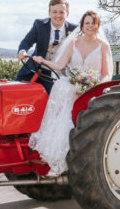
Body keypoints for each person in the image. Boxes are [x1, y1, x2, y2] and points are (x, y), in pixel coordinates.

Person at [28, 11, 112, 176]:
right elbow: (60, 65)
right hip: (73, 84)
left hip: (92, 86)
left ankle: (68, 156)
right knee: (61, 87)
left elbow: (107, 74)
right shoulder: (73, 43)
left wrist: (95, 87)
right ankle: (52, 154)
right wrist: (44, 61)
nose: (90, 26)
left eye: (93, 23)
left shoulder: (103, 46)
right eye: (87, 23)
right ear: (82, 25)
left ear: (98, 26)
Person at [16, 0, 78, 94]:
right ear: (49, 13)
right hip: (34, 69)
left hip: (57, 73)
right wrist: (22, 51)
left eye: (61, 12)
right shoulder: (39, 25)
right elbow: (27, 41)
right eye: (54, 12)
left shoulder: (74, 29)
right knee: (16, 92)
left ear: (67, 13)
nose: (58, 15)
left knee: (53, 98)